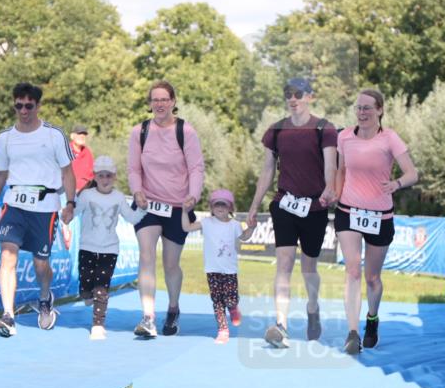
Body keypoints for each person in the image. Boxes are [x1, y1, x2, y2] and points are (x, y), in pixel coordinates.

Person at [247, 77, 337, 348]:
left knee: (309, 266)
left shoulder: (325, 128)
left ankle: (312, 308)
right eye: (288, 94)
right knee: (284, 264)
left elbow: (330, 165)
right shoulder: (276, 131)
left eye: (298, 93)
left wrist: (329, 189)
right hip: (284, 204)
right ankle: (281, 324)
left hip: (315, 206)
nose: (293, 98)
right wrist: (254, 206)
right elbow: (266, 171)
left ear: (310, 96)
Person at [0, 82, 76, 337]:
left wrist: (70, 203)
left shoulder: (53, 135)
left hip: (45, 206)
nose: (23, 110)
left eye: (28, 105)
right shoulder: (5, 138)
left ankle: (45, 297)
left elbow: (68, 171)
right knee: (7, 256)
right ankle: (8, 316)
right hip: (14, 203)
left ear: (37, 106)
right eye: (18, 105)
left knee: (40, 264)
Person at [334, 89, 418, 354]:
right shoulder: (344, 137)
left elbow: (413, 173)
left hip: (380, 215)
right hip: (348, 211)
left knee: (371, 277)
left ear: (380, 110)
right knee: (352, 270)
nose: (362, 113)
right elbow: (340, 170)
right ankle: (352, 332)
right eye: (358, 108)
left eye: (368, 108)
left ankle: (372, 319)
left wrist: (396, 183)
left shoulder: (390, 138)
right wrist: (334, 195)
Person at [127, 80, 205, 338]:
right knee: (146, 256)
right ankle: (148, 317)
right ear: (149, 104)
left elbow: (196, 168)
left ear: (173, 101)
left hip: (177, 206)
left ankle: (173, 309)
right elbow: (133, 168)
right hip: (147, 204)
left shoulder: (186, 132)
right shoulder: (139, 132)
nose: (159, 104)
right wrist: (137, 189)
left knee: (171, 264)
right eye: (155, 99)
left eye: (164, 99)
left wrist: (193, 195)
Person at [77, 155, 148, 340]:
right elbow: (73, 212)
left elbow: (131, 218)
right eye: (101, 175)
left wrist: (142, 209)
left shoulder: (118, 198)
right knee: (86, 286)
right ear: (94, 176)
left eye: (109, 175)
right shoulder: (86, 196)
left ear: (114, 177)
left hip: (110, 249)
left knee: (101, 287)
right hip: (87, 247)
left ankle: (98, 325)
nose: (105, 179)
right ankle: (86, 293)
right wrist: (66, 212)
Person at [181, 189, 255, 344]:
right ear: (211, 207)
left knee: (230, 299)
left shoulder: (234, 225)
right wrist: (184, 211)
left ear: (230, 208)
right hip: (212, 270)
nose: (220, 208)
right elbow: (186, 228)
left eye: (224, 204)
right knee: (217, 301)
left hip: (230, 271)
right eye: (216, 204)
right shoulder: (206, 223)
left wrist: (252, 227)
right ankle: (223, 330)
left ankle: (233, 308)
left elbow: (245, 237)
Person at [69, 124, 95, 192]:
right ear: (72, 136)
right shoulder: (65, 151)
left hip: (84, 193)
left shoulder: (88, 153)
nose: (82, 136)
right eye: (79, 134)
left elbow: (92, 175)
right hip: (66, 192)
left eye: (84, 134)